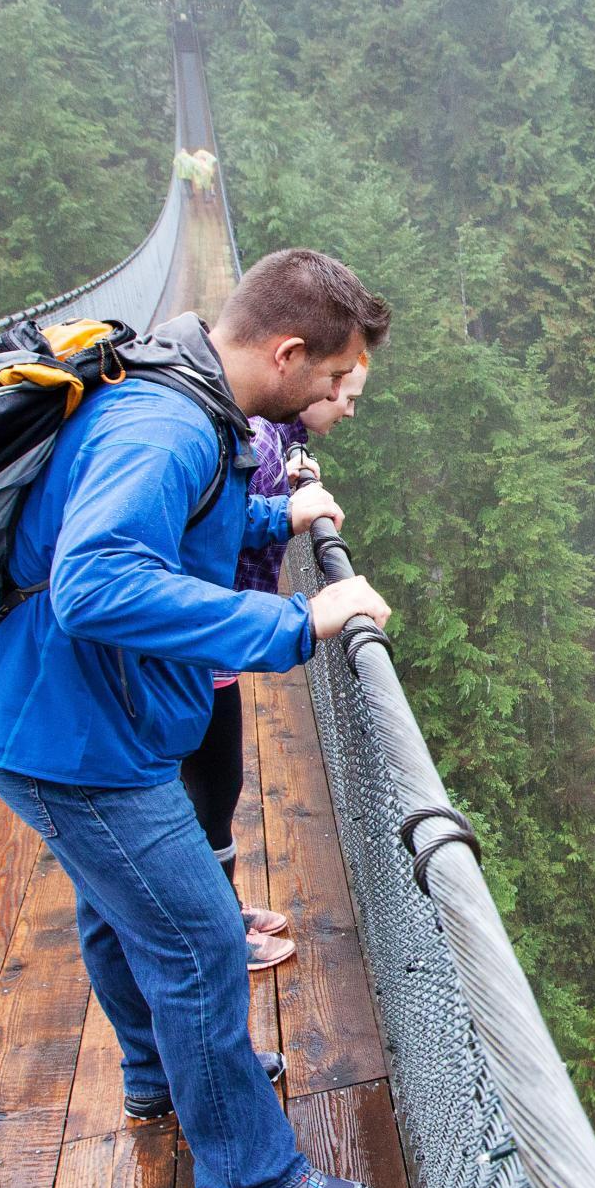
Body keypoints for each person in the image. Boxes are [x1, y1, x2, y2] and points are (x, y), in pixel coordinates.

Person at [0, 248, 393, 1188]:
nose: (335, 395)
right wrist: (294, 623)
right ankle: (248, 1178)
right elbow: (97, 583)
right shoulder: (166, 422)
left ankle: (165, 1075)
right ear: (287, 354)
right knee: (198, 942)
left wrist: (278, 511)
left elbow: (188, 522)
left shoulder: (181, 394)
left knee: (123, 915)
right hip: (77, 738)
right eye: (332, 379)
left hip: (67, 719)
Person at [181, 352, 368, 971]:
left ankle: (221, 914)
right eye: (339, 389)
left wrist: (295, 481)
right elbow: (217, 530)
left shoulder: (271, 437)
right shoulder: (257, 441)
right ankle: (217, 936)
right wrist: (300, 618)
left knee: (213, 789)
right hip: (197, 650)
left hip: (205, 648)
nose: (346, 404)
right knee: (211, 791)